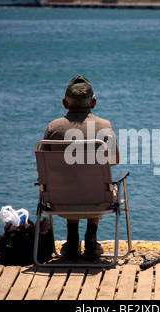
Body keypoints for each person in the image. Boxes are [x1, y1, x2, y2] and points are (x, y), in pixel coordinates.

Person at [42, 75, 120, 258]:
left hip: (59, 200)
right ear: (93, 102)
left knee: (69, 178)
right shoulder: (105, 126)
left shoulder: (53, 128)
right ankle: (91, 239)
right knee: (96, 181)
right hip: (99, 199)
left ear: (64, 103)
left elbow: (45, 165)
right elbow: (114, 161)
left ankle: (71, 239)